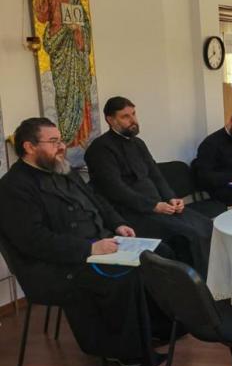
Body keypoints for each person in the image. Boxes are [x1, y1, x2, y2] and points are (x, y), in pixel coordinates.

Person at [0, 118, 172, 366]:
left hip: (99, 244)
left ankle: (155, 330)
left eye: (61, 140)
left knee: (159, 254)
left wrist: (118, 224)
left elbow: (97, 200)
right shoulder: (13, 188)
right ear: (29, 146)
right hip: (57, 266)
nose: (62, 146)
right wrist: (89, 249)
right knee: (126, 276)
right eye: (53, 141)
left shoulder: (62, 168)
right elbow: (34, 240)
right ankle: (126, 352)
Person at [85, 96, 213, 277]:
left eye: (133, 114)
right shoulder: (100, 149)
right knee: (188, 234)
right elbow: (116, 189)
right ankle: (194, 285)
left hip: (159, 206)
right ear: (111, 120)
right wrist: (153, 206)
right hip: (132, 213)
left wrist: (172, 198)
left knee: (206, 225)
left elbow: (155, 175)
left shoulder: (138, 143)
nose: (133, 120)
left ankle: (213, 280)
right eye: (125, 116)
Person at [33, 0, 94, 149]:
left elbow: (85, 23)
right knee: (63, 92)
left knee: (78, 89)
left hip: (74, 48)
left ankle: (81, 135)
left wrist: (79, 29)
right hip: (59, 46)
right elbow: (42, 17)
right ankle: (66, 135)